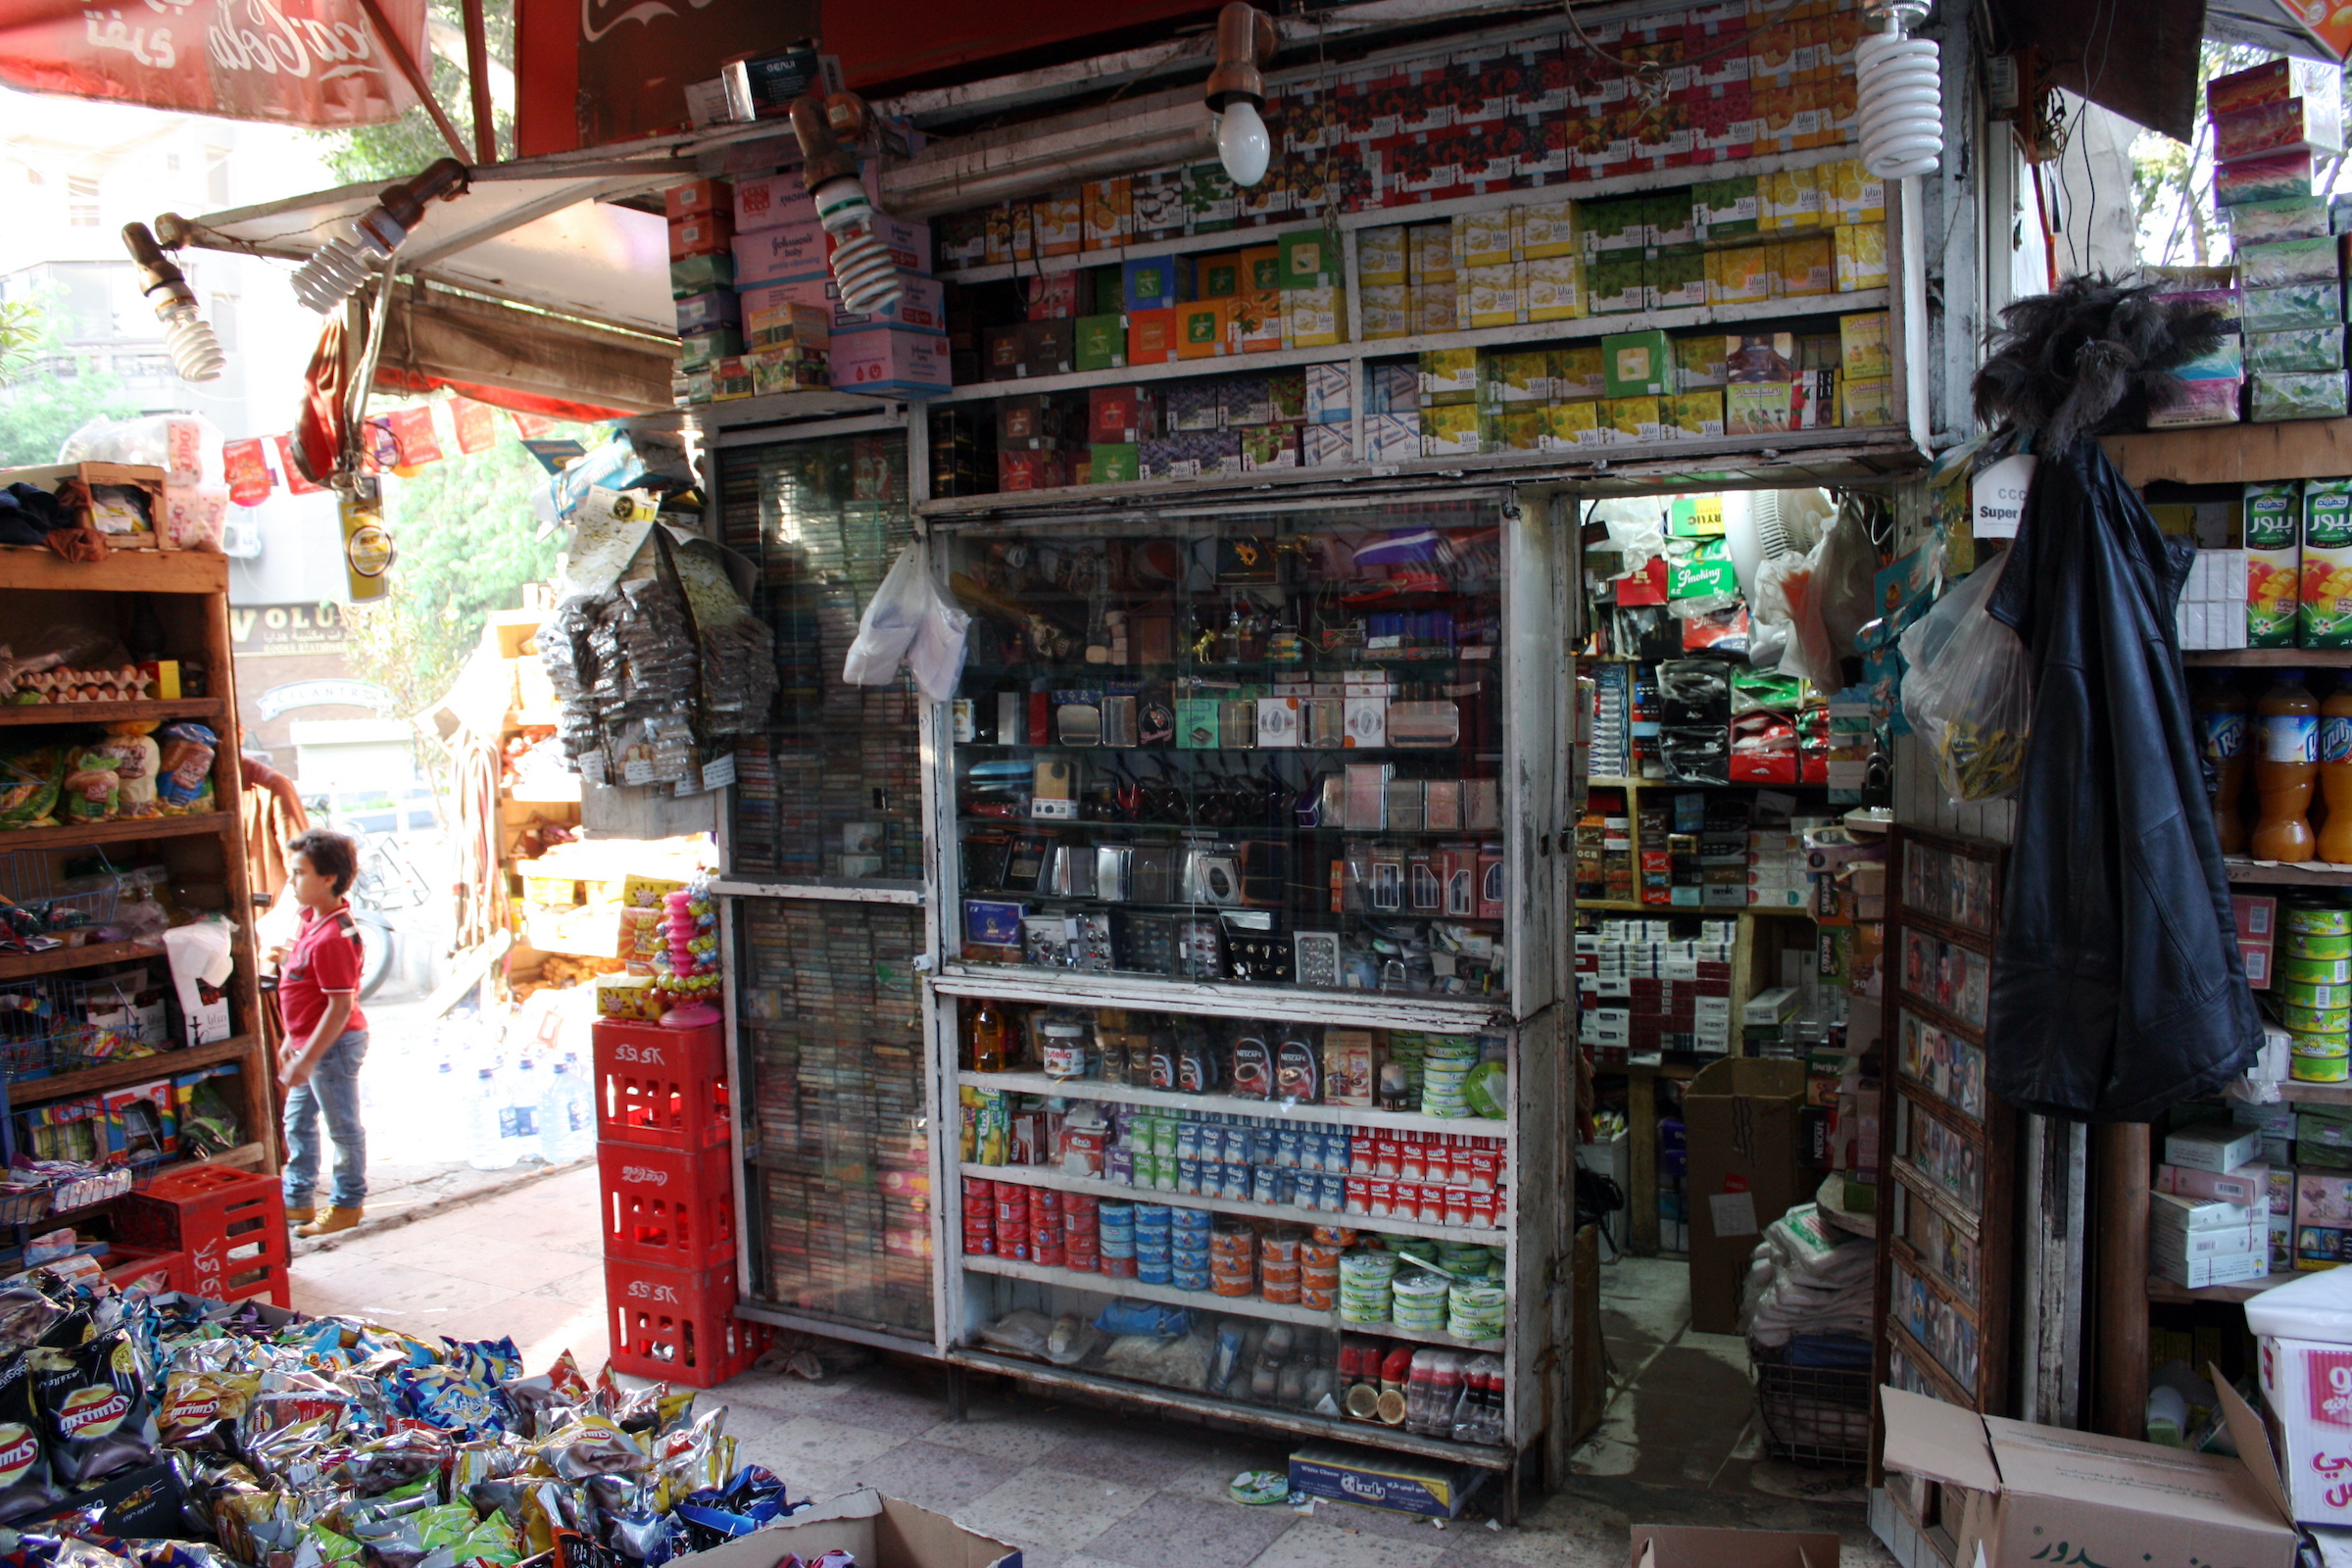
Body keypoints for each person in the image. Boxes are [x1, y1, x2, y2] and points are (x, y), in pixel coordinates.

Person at [272, 828, 369, 1237]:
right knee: (297, 1123)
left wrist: (308, 1057)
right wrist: (288, 1043)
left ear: (328, 877)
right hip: (307, 1045)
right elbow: (301, 994)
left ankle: (348, 1203)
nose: (291, 881)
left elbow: (339, 1005)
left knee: (342, 1126)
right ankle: (297, 1202)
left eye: (298, 873)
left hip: (331, 1047)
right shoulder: (310, 921)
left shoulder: (333, 935)